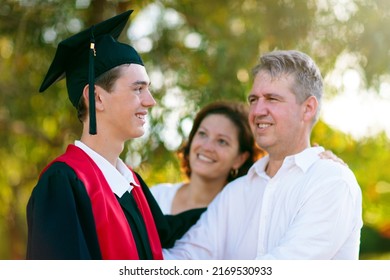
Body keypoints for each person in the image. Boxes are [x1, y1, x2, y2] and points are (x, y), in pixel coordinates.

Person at [26, 10, 199, 260]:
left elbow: (168, 234)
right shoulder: (63, 183)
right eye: (138, 89)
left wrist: (233, 196)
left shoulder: (130, 182)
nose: (150, 102)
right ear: (96, 97)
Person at [163, 50, 363, 260]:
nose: (257, 111)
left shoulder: (331, 181)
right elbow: (187, 258)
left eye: (272, 99)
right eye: (253, 99)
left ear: (308, 109)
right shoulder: (236, 192)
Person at [151, 101, 264, 215]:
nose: (207, 147)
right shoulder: (155, 198)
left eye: (222, 141)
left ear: (240, 159)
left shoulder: (238, 215)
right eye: (202, 134)